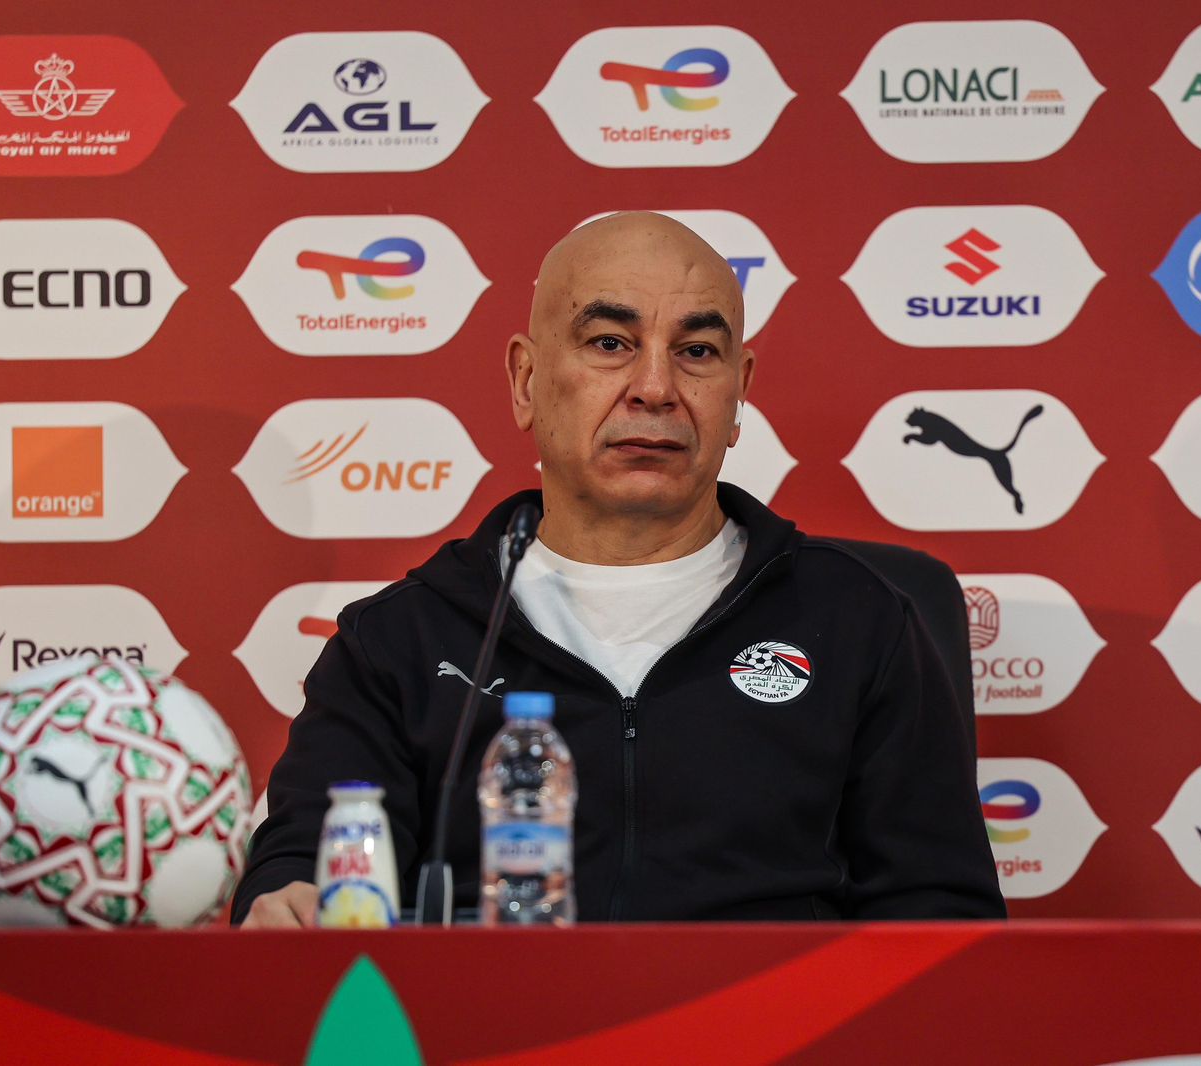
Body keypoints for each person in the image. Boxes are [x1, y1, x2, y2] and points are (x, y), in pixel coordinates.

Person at [234, 212, 1004, 926]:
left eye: (696, 352)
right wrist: (290, 899)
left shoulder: (854, 620)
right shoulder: (400, 640)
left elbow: (941, 913)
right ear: (526, 381)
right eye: (610, 343)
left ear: (740, 392)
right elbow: (301, 865)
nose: (656, 389)